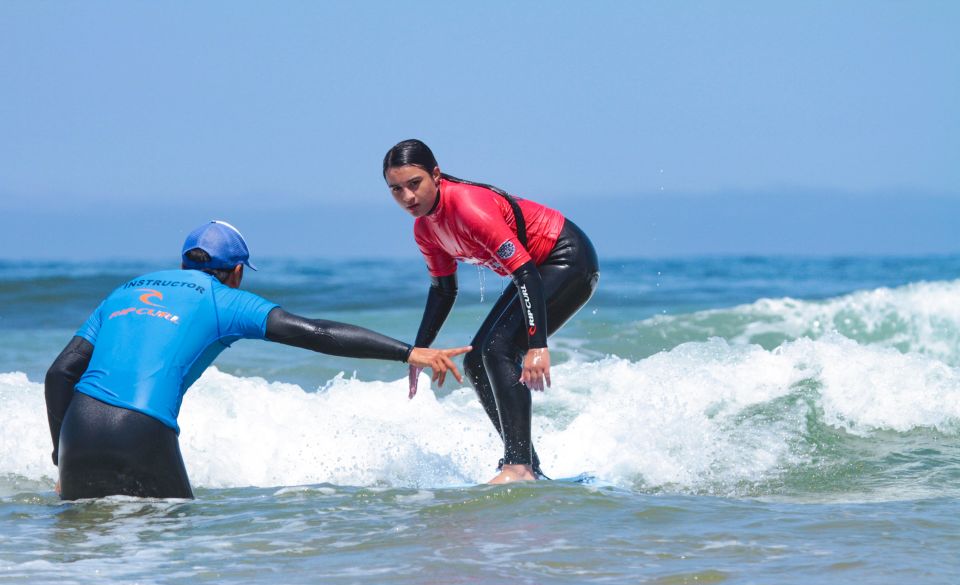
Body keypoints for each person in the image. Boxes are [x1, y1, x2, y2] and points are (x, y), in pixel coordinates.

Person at [45, 220, 470, 500]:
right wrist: (409, 351)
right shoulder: (224, 299)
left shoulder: (126, 289)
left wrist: (61, 455)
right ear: (237, 272)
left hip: (77, 429)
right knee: (169, 552)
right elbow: (315, 332)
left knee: (88, 555)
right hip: (141, 428)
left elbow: (60, 372)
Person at [382, 140, 599, 484]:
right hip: (534, 271)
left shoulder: (469, 207)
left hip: (567, 259)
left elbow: (525, 272)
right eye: (396, 190)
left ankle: (518, 467)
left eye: (414, 184)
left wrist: (537, 344)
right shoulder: (425, 229)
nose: (407, 197)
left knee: (499, 350)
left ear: (435, 175)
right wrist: (418, 351)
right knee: (474, 360)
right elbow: (443, 291)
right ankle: (529, 465)